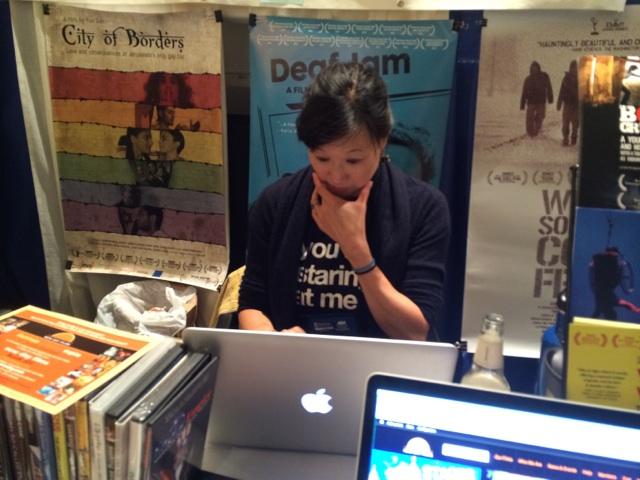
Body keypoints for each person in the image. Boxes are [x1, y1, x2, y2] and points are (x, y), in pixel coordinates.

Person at [238, 62, 450, 340]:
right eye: (321, 158)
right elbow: (253, 302)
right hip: (294, 367)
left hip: (381, 371)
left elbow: (414, 331)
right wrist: (273, 341)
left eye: (353, 160)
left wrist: (355, 249)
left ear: (383, 139)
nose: (336, 175)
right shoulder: (276, 202)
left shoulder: (424, 208)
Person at [520, 61, 553, 137]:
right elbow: (524, 92)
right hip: (531, 101)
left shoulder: (544, 76)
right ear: (531, 69)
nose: (534, 70)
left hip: (541, 101)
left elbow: (549, 87)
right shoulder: (528, 79)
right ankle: (530, 132)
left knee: (540, 116)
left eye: (536, 68)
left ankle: (536, 131)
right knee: (529, 117)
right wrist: (522, 104)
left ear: (539, 68)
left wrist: (550, 97)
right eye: (533, 68)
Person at [556, 60, 579, 146]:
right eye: (573, 67)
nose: (574, 69)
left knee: (575, 123)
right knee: (565, 123)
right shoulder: (566, 79)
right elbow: (561, 91)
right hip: (567, 104)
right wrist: (559, 102)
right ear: (570, 68)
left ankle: (574, 137)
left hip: (577, 105)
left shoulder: (581, 78)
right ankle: (565, 138)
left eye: (576, 68)